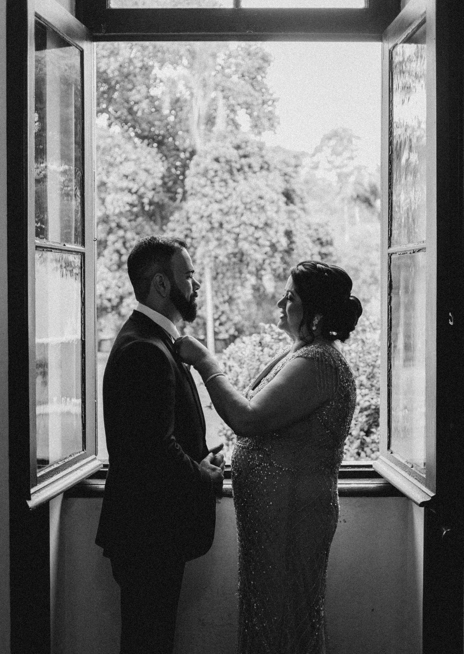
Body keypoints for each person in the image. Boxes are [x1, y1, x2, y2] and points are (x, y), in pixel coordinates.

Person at [175, 260, 362, 654]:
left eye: (290, 297)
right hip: (278, 514)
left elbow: (248, 418)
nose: (279, 302)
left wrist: (206, 362)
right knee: (268, 614)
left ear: (316, 314)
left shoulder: (318, 362)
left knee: (285, 616)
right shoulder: (302, 353)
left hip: (294, 515)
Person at [95, 236, 224, 654]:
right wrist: (205, 477)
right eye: (189, 275)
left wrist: (201, 454)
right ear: (162, 284)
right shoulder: (144, 350)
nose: (196, 285)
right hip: (148, 534)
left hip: (150, 532)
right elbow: (154, 450)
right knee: (147, 643)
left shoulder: (154, 340)